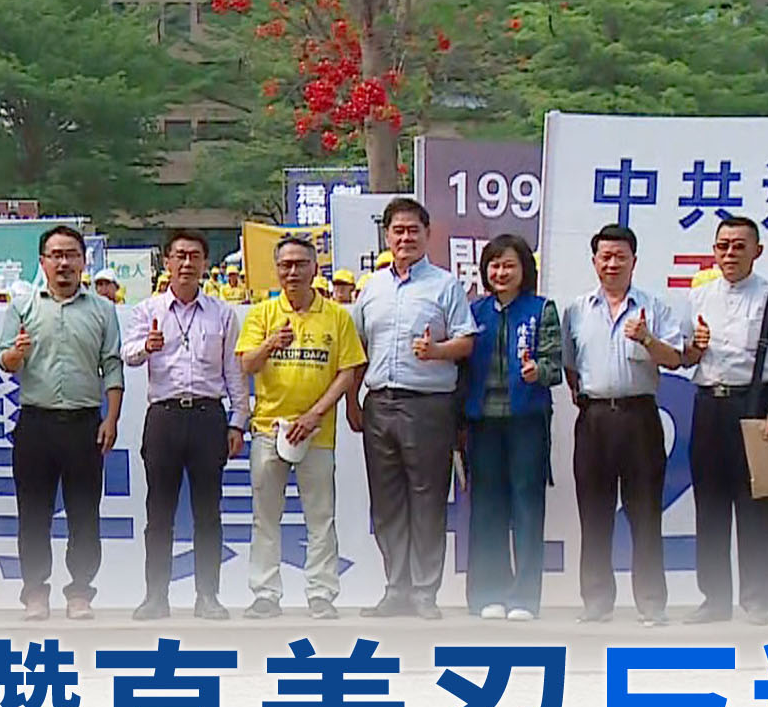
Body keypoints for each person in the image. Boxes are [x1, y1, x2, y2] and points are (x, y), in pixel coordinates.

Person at [350, 196, 477, 619]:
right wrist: (353, 401)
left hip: (428, 406)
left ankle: (425, 592)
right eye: (397, 231)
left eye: (413, 230)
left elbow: (466, 342)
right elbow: (358, 350)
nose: (405, 238)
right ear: (386, 236)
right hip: (379, 405)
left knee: (427, 500)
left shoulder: (445, 285)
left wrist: (438, 350)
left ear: (427, 234)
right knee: (386, 503)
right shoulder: (371, 288)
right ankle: (396, 589)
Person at [681, 217, 768, 627]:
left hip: (759, 405)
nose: (730, 254)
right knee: (710, 508)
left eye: (739, 246)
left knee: (758, 509)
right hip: (710, 406)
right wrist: (693, 348)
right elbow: (686, 356)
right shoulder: (699, 297)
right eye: (722, 246)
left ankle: (759, 601)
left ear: (757, 251)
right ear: (713, 250)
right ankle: (714, 600)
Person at [237, 236, 366, 619]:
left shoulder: (337, 316)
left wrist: (315, 415)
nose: (292, 271)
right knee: (265, 517)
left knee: (321, 517)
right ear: (276, 269)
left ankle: (321, 593)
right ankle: (265, 593)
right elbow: (247, 365)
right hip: (268, 429)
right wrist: (270, 344)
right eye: (285, 265)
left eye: (300, 264)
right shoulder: (262, 314)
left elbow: (347, 372)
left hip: (317, 431)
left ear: (315, 268)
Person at [562, 223, 684, 625]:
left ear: (634, 261)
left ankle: (651, 603)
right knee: (594, 515)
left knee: (645, 514)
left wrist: (647, 339)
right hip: (594, 419)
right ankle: (596, 601)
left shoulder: (654, 307)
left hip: (639, 418)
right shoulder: (577, 310)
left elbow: (675, 359)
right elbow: (570, 366)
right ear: (594, 261)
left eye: (620, 257)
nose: (612, 264)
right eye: (605, 257)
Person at [0, 224, 124, 621]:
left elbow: (113, 366)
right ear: (42, 262)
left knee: (84, 514)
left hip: (85, 424)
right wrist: (16, 354)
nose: (64, 262)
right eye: (56, 255)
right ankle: (35, 593)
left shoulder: (103, 310)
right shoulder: (23, 307)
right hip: (35, 423)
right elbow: (4, 360)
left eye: (71, 254)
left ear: (84, 261)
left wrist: (111, 418)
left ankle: (80, 592)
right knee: (33, 515)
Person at [123, 229, 248, 621]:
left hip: (208, 416)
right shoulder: (148, 310)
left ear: (205, 263)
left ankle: (207, 596)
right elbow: (128, 354)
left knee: (208, 512)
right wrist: (147, 347)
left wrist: (238, 421)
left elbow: (234, 372)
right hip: (164, 416)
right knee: (159, 512)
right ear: (167, 262)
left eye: (195, 256)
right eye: (180, 255)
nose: (187, 263)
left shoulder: (222, 313)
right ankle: (155, 597)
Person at [461, 234, 562, 622]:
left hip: (527, 421)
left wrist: (539, 371)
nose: (501, 272)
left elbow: (555, 364)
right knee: (486, 508)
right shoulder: (474, 311)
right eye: (494, 265)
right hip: (483, 420)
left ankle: (524, 597)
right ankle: (488, 593)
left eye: (509, 265)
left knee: (527, 507)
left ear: (524, 270)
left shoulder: (541, 309)